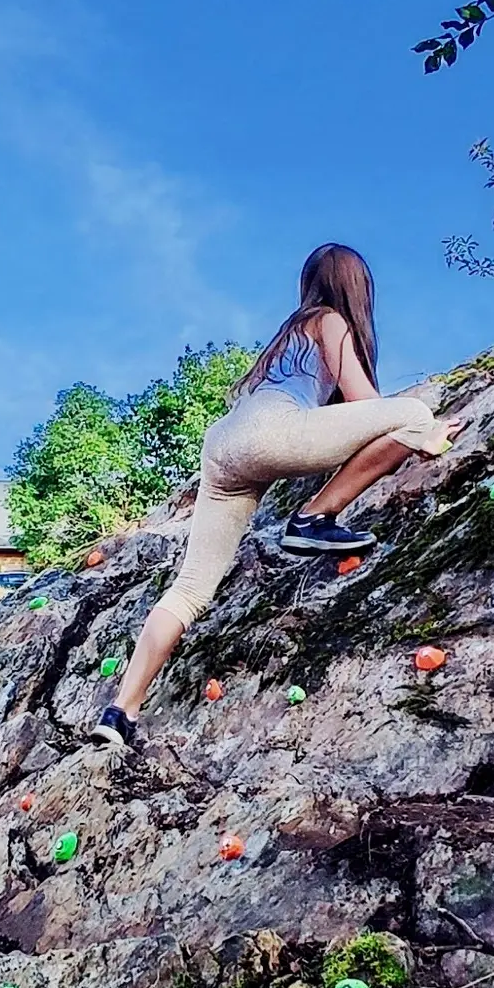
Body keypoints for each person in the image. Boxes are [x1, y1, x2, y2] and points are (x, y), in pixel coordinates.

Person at [93, 243, 463, 748]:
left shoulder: (287, 334)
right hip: (273, 434)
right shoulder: (330, 320)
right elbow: (366, 404)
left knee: (190, 590)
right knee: (414, 414)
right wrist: (423, 434)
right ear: (356, 287)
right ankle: (314, 517)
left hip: (224, 447)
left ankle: (119, 711)